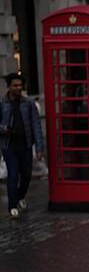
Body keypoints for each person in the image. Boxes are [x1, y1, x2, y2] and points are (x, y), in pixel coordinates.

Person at [0, 73, 45, 220]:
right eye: (15, 85)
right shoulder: (2, 103)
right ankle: (13, 207)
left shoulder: (29, 103)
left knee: (26, 176)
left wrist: (39, 148)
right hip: (9, 146)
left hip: (25, 145)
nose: (18, 88)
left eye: (20, 85)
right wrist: (3, 128)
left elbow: (36, 126)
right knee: (12, 175)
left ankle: (20, 196)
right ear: (9, 86)